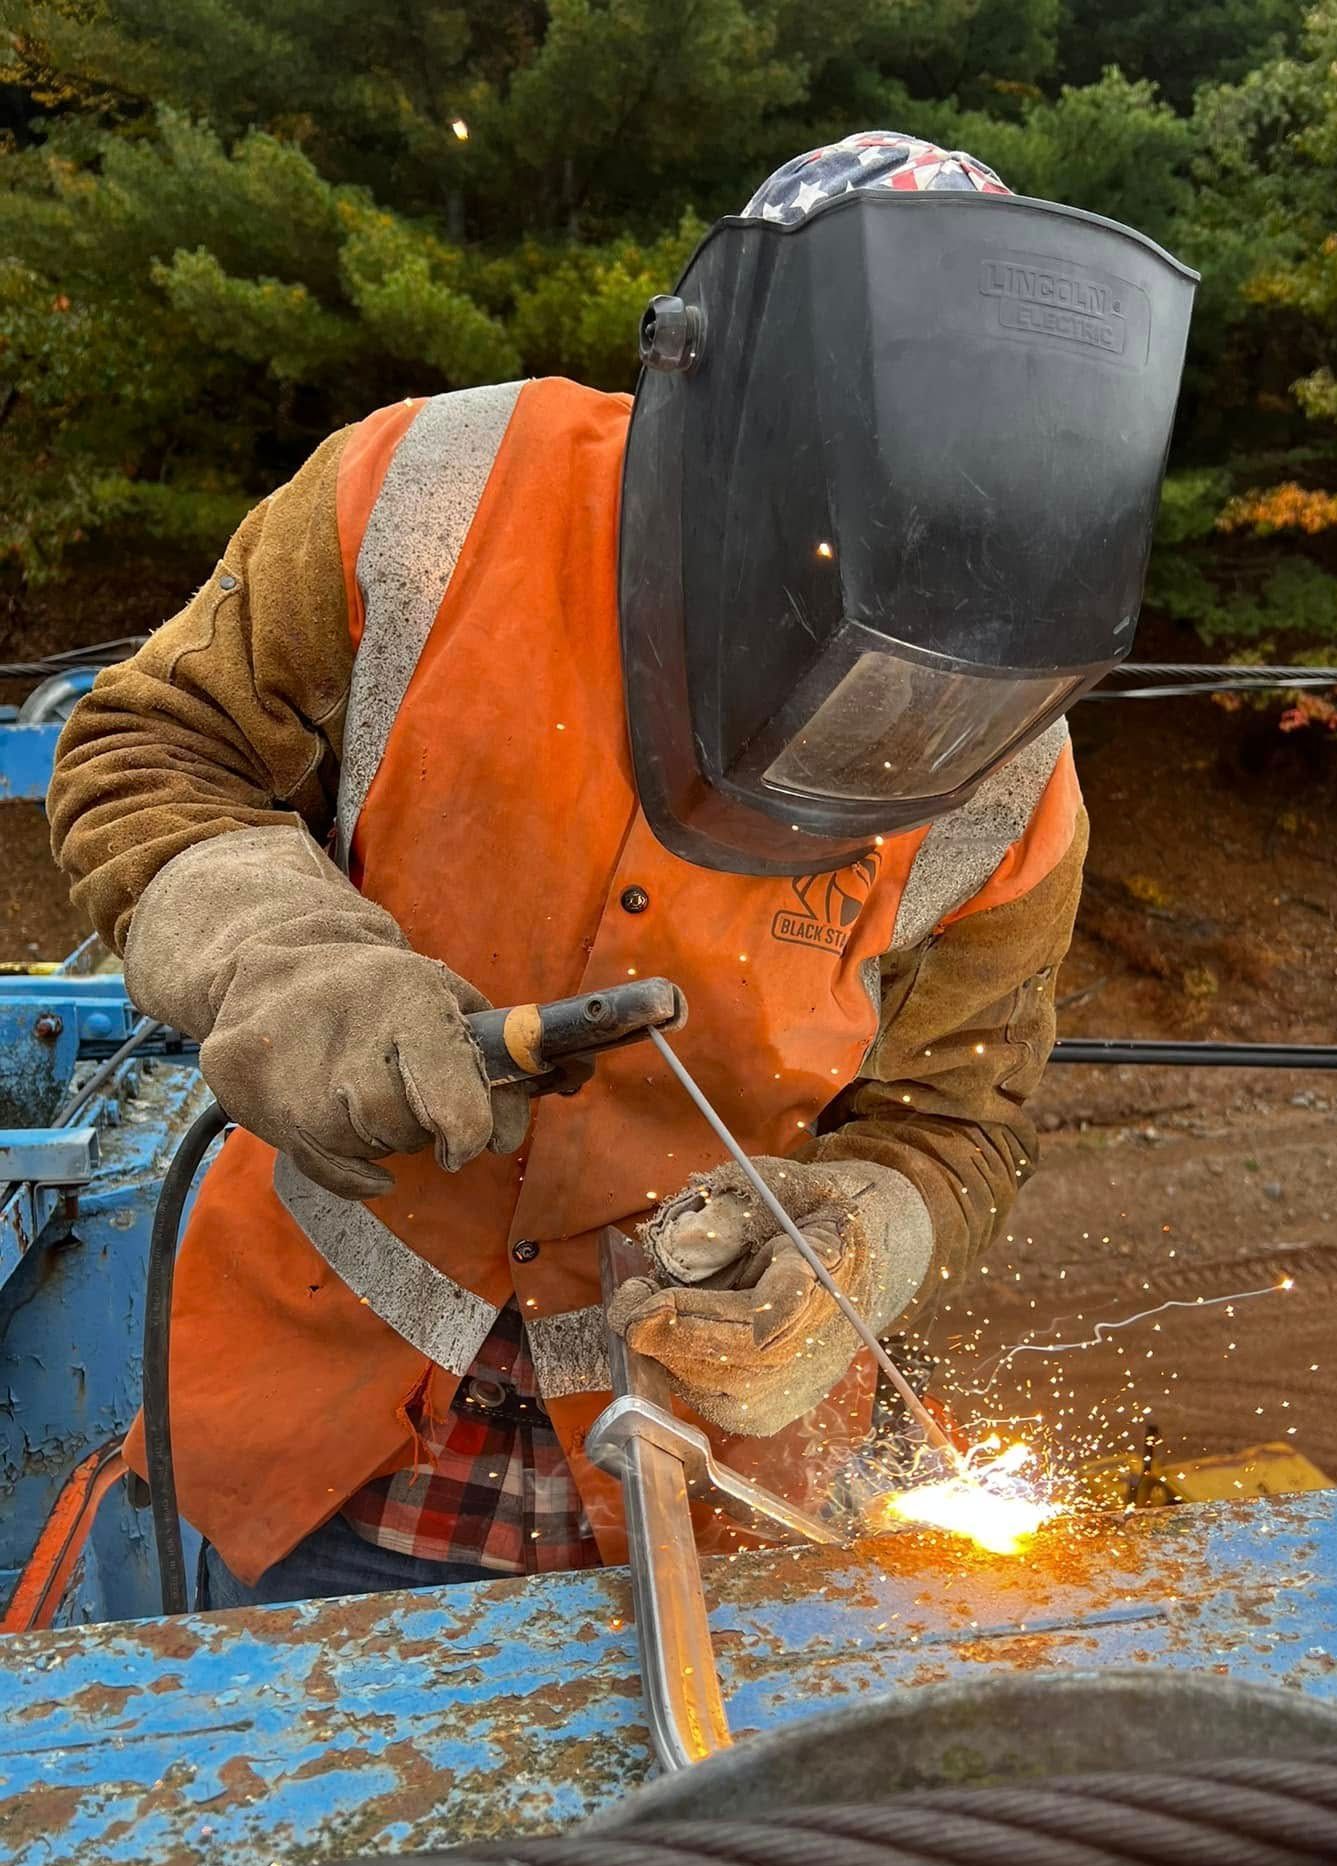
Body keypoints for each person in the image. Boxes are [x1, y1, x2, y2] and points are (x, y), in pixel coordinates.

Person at [47, 133, 1193, 1607]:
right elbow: (150, 748)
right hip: (320, 1403)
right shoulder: (431, 492)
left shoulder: (1009, 766)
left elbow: (957, 1117)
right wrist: (291, 970)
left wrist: (857, 1245)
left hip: (703, 1473)